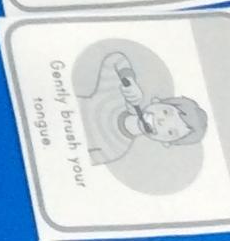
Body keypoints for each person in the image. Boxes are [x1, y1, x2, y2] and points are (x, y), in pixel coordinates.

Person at [78, 50, 208, 165]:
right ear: (156, 101)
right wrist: (129, 80)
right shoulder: (116, 94)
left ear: (166, 143)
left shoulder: (116, 150)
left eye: (170, 132)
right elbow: (116, 59)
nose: (161, 122)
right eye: (165, 112)